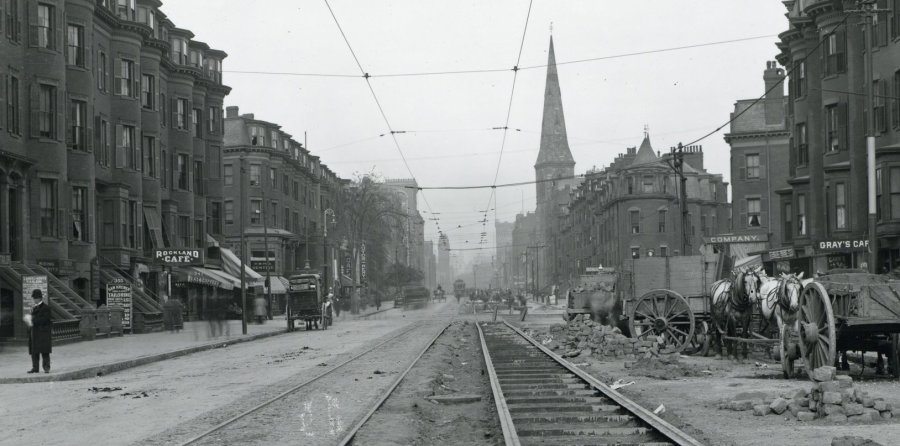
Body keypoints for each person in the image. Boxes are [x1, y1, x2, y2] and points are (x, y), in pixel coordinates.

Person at [26, 289, 52, 374]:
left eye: (35, 298)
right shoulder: (34, 308)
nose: (34, 300)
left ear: (39, 298)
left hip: (43, 333)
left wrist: (32, 320)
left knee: (45, 351)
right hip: (34, 333)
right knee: (34, 352)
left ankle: (46, 368)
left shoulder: (46, 308)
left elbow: (44, 320)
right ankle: (35, 368)